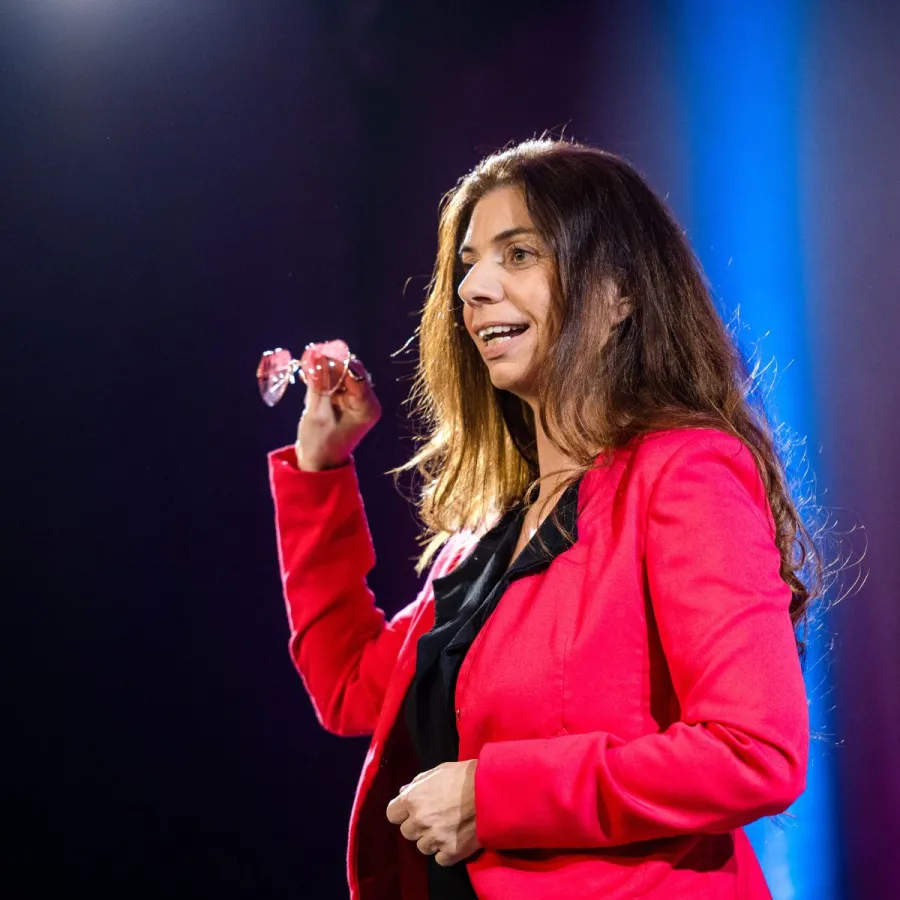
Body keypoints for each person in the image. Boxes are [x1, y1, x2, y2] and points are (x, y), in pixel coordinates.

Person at [267, 139, 820, 899]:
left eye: (518, 253)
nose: (474, 286)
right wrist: (321, 471)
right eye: (467, 263)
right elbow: (349, 686)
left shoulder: (682, 471)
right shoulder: (485, 542)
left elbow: (756, 750)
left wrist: (490, 797)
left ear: (620, 291)